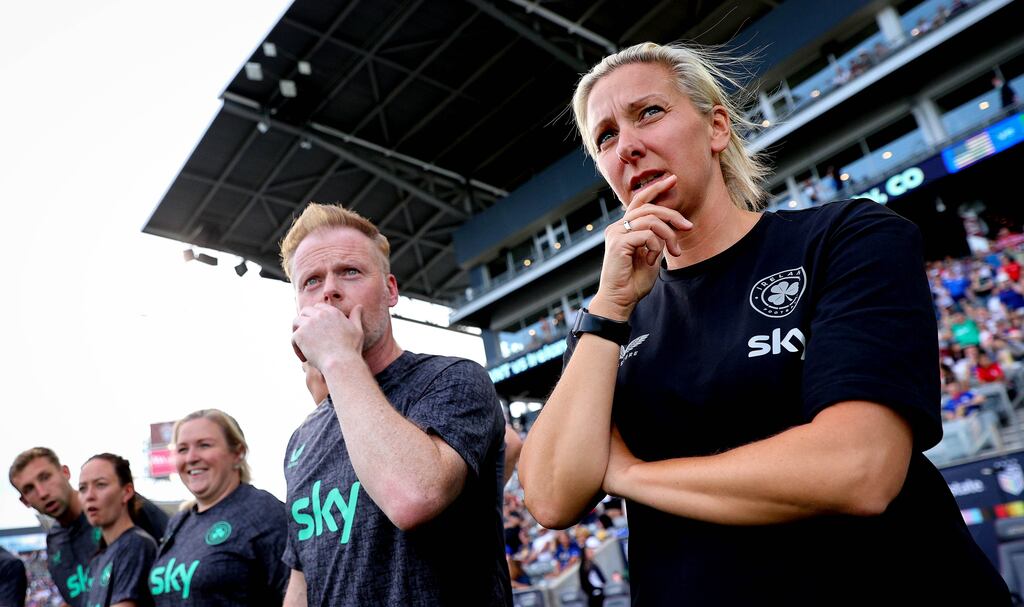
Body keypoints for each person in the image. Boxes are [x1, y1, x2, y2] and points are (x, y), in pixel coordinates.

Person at [518, 41, 1010, 604]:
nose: (627, 145)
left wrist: (630, 477)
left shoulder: (845, 237)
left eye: (648, 112)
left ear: (717, 129)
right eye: (605, 137)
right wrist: (607, 307)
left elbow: (859, 467)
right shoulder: (608, 325)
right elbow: (552, 497)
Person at [280, 203, 511, 606]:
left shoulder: (452, 379)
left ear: (390, 290)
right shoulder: (302, 439)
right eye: (311, 281)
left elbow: (413, 497)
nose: (330, 289)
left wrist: (338, 357)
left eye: (350, 272)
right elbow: (303, 581)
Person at [150, 409, 288, 606]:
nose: (191, 458)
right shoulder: (178, 523)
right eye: (182, 449)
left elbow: (298, 593)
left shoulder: (263, 513)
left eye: (204, 445)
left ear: (237, 453)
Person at [8, 448, 168, 607]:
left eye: (45, 477)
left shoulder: (122, 508)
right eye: (29, 488)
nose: (42, 492)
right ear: (25, 501)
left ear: (65, 472)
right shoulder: (55, 545)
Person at [78, 454, 156, 607]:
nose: (89, 496)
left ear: (127, 491)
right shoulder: (97, 560)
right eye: (82, 488)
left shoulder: (135, 544)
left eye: (100, 485)